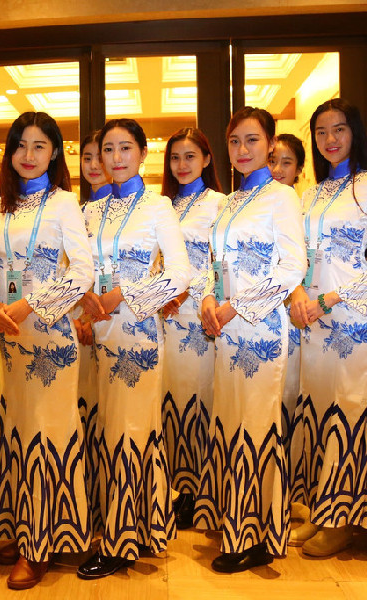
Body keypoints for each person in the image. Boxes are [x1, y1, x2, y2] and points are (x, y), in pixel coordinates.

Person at [77, 118, 192, 579]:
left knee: (130, 428)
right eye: (109, 149)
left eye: (126, 148)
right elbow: (76, 268)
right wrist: (84, 305)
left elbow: (181, 273)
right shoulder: (91, 211)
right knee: (105, 428)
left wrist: (123, 295)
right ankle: (135, 525)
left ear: (144, 154)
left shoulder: (158, 206)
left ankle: (124, 541)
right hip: (92, 335)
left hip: (136, 332)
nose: (117, 157)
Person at [0, 111, 95, 589]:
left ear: (54, 153)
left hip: (49, 335)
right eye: (20, 146)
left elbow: (82, 273)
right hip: (8, 336)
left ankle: (41, 543)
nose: (28, 156)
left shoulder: (65, 203)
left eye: (39, 146)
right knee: (17, 427)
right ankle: (14, 523)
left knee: (48, 433)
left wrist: (29, 305)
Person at [287, 98, 367, 557]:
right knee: (316, 414)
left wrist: (332, 299)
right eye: (321, 132)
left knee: (348, 414)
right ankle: (322, 509)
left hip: (351, 315)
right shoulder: (311, 192)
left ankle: (345, 520)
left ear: (353, 132)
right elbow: (296, 257)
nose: (330, 140)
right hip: (310, 321)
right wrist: (299, 293)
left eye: (339, 130)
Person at [194, 107, 305, 572]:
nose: (242, 150)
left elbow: (292, 266)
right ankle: (234, 523)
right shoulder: (228, 202)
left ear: (271, 144)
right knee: (231, 422)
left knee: (257, 426)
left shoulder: (282, 198)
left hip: (259, 327)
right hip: (223, 329)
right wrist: (205, 298)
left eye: (252, 141)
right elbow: (213, 262)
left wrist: (237, 305)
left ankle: (259, 536)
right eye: (235, 141)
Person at [159, 127, 223, 530]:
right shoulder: (161, 205)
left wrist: (188, 293)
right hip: (161, 315)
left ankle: (202, 492)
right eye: (175, 158)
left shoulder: (220, 203)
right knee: (170, 401)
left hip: (199, 316)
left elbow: (218, 264)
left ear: (206, 159)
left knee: (199, 400)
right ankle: (180, 491)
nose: (182, 165)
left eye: (190, 157)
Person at [268, 133, 317, 546]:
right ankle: (275, 496)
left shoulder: (304, 206)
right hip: (267, 315)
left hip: (306, 319)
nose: (277, 170)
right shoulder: (256, 203)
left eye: (286, 163)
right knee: (275, 404)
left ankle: (298, 497)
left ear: (299, 168)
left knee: (298, 405)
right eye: (273, 160)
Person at [75, 129, 111, 533]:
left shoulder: (130, 209)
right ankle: (83, 499)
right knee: (82, 413)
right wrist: (78, 319)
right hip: (76, 329)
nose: (95, 165)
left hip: (116, 323)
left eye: (100, 156)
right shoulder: (75, 210)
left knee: (111, 416)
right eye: (87, 157)